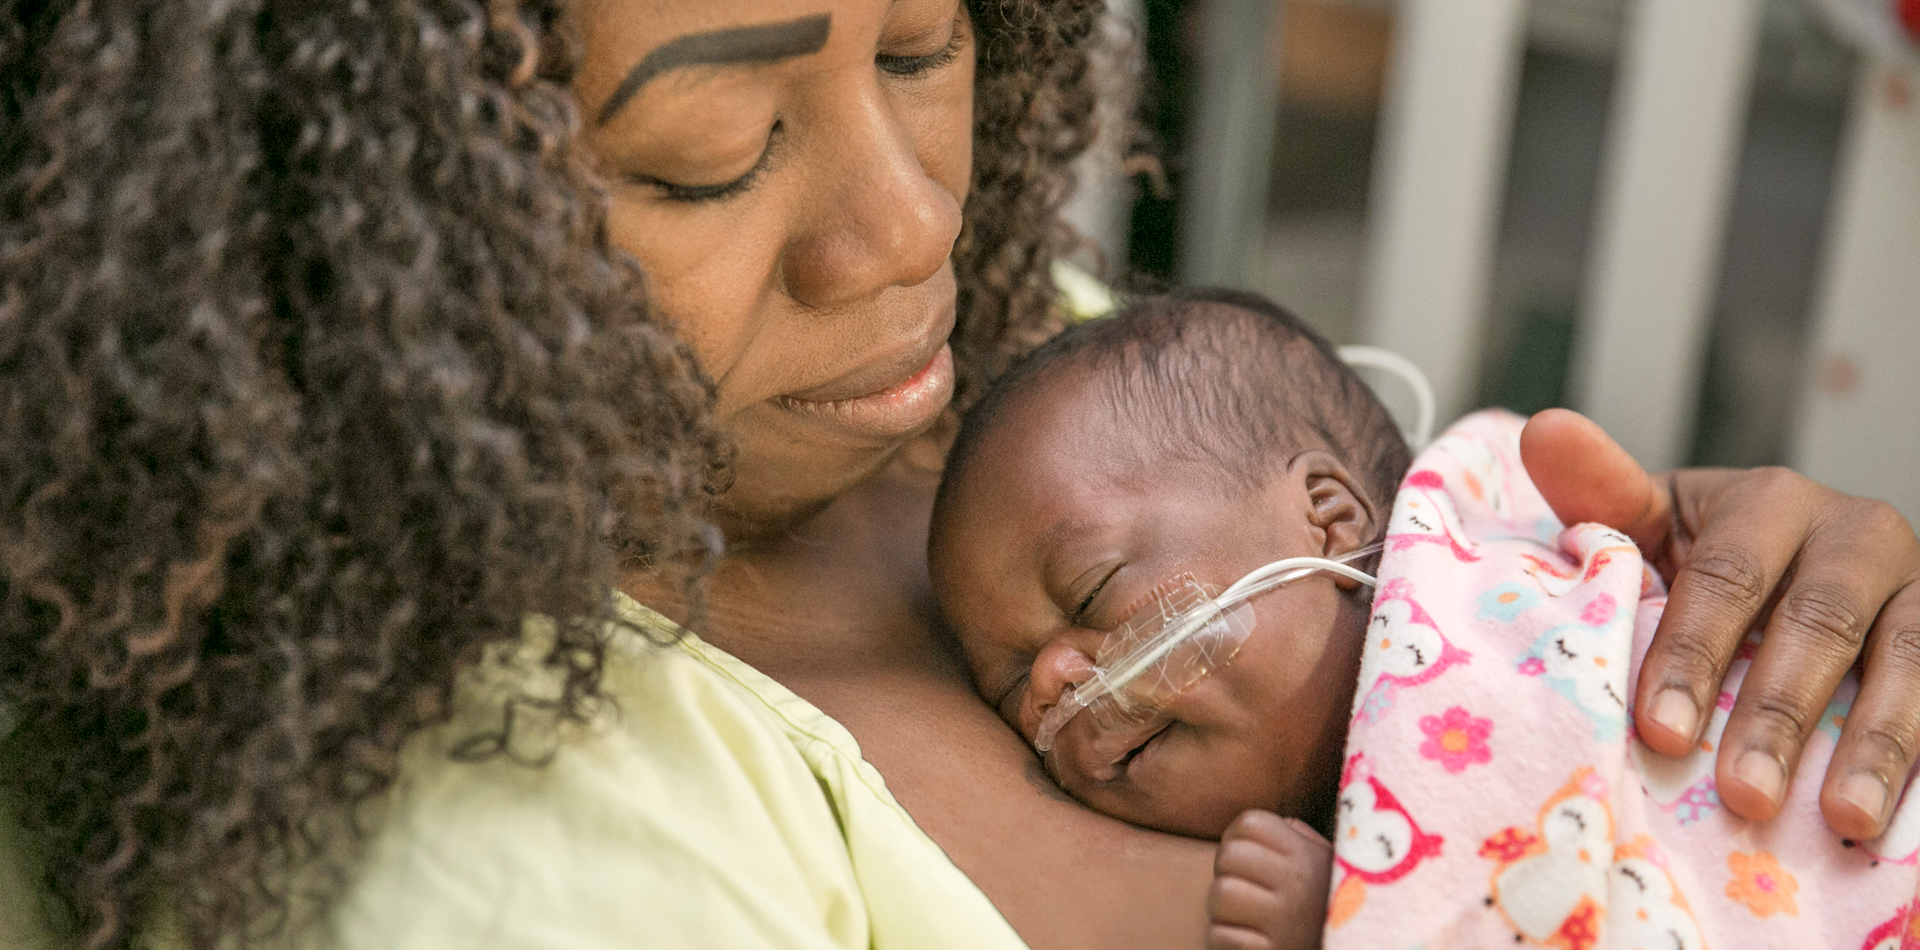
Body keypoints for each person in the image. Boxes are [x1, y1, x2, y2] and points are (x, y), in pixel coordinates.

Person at [2, 2, 1916, 950]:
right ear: (345, 225)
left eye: (924, 47)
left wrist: (1746, 660)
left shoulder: (960, 376)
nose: (914, 228)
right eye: (715, 152)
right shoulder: (506, 856)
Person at [929, 291, 1920, 950]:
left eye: (1094, 592)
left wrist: (1369, 907)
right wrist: (1367, 900)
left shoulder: (1497, 610)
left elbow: (1544, 817)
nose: (1061, 678)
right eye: (1013, 685)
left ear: (1330, 516)